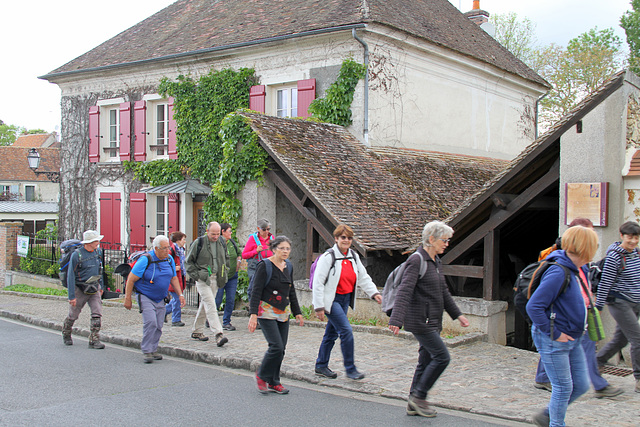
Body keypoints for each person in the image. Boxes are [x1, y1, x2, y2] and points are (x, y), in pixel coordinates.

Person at [533, 218, 622, 398]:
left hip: (579, 315)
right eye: (588, 234)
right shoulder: (560, 265)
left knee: (559, 346)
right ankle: (598, 385)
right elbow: (535, 305)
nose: (593, 238)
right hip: (566, 317)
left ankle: (543, 377)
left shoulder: (581, 262)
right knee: (578, 347)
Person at [388, 221, 469, 418]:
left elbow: (443, 292)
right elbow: (405, 290)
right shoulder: (417, 260)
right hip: (420, 321)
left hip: (432, 319)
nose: (447, 244)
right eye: (444, 240)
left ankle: (412, 402)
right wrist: (397, 319)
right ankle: (419, 396)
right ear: (431, 239)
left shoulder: (435, 261)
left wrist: (457, 315)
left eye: (448, 240)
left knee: (425, 361)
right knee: (442, 357)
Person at [527, 226, 598, 426]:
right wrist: (555, 333)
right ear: (586, 247)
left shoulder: (580, 268)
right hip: (555, 339)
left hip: (573, 337)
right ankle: (556, 423)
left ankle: (547, 415)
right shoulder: (559, 271)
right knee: (563, 387)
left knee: (581, 385)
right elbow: (534, 306)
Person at [312, 224, 382, 380]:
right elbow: (318, 282)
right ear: (336, 238)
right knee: (346, 332)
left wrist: (374, 293)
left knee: (331, 334)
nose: (346, 240)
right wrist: (319, 307)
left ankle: (321, 365)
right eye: (343, 237)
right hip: (331, 300)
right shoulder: (328, 257)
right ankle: (351, 369)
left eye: (349, 238)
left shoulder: (353, 256)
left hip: (345, 299)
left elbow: (363, 277)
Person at [248, 235, 303, 394]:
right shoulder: (264, 266)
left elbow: (290, 290)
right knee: (276, 346)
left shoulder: (289, 266)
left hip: (283, 312)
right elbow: (256, 291)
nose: (285, 251)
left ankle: (274, 381)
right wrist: (253, 315)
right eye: (282, 248)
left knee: (281, 349)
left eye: (287, 248)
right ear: (274, 249)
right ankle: (262, 375)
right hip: (266, 311)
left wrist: (297, 312)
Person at [124, 235, 185, 363]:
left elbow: (174, 278)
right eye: (164, 248)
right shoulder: (146, 259)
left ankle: (153, 348)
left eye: (168, 247)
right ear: (156, 248)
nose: (167, 251)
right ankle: (147, 350)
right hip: (145, 295)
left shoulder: (169, 259)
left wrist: (180, 295)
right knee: (150, 322)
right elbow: (131, 279)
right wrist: (127, 298)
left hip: (161, 297)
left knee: (158, 324)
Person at [595, 221, 640, 394]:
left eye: (636, 237)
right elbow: (605, 283)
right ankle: (639, 379)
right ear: (621, 236)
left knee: (621, 340)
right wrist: (598, 306)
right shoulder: (615, 257)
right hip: (619, 302)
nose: (633, 241)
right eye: (629, 237)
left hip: (635, 302)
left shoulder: (637, 254)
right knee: (638, 339)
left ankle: (597, 361)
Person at [186, 221, 230, 346]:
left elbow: (226, 258)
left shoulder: (221, 242)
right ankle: (218, 334)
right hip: (203, 278)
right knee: (211, 304)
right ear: (207, 231)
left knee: (205, 304)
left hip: (216, 278)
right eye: (213, 234)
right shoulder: (199, 243)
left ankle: (197, 331)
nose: (215, 237)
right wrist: (197, 276)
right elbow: (188, 262)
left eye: (217, 234)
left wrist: (225, 270)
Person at [61, 230, 107, 349]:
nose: (98, 243)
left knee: (97, 313)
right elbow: (71, 275)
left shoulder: (97, 252)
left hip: (94, 287)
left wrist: (101, 286)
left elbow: (100, 270)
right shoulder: (77, 255)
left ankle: (94, 340)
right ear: (89, 242)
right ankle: (66, 333)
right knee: (73, 315)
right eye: (96, 241)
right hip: (80, 289)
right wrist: (71, 296)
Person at [216, 223, 241, 331]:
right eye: (229, 231)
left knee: (230, 300)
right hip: (220, 277)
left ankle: (226, 322)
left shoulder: (232, 243)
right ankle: (210, 319)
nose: (231, 233)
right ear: (223, 231)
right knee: (218, 299)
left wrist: (238, 262)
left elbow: (239, 253)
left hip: (232, 277)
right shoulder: (217, 244)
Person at [242, 218, 274, 290]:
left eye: (268, 229)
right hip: (255, 268)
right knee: (255, 289)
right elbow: (244, 255)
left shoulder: (272, 238)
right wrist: (256, 251)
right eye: (264, 229)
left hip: (269, 266)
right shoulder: (253, 239)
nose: (266, 231)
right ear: (258, 228)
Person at [165, 231, 187, 327]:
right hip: (174, 278)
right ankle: (176, 319)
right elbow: (166, 264)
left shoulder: (181, 250)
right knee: (177, 298)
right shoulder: (172, 251)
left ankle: (162, 312)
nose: (185, 241)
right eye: (183, 239)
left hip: (180, 277)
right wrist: (174, 268)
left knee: (175, 299)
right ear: (178, 240)